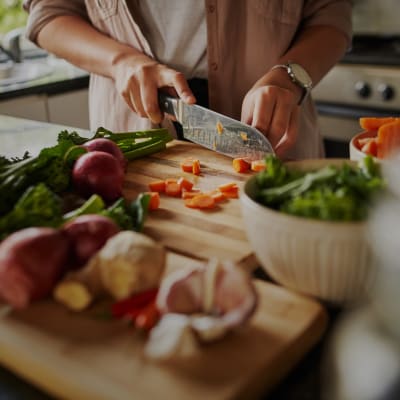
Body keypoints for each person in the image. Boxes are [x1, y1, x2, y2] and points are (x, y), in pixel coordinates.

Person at [23, 1, 352, 160]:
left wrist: (289, 76)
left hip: (274, 135)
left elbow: (332, 16)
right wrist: (121, 62)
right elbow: (48, 13)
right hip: (136, 133)